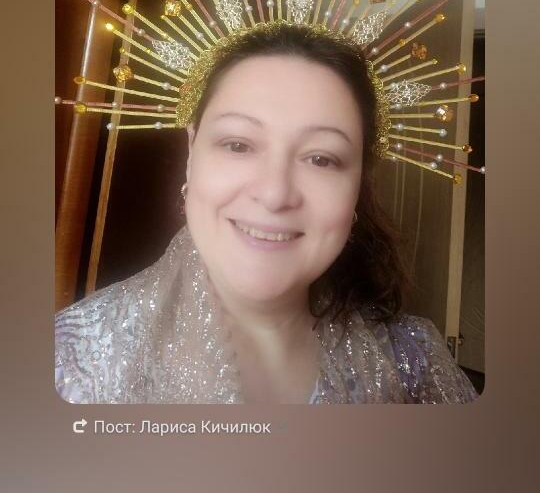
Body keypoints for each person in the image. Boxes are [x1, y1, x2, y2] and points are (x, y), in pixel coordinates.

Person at [55, 23, 478, 404]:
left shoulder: (416, 363)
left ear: (359, 185)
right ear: (192, 152)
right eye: (238, 145)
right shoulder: (69, 362)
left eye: (322, 159)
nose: (275, 194)